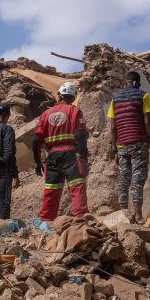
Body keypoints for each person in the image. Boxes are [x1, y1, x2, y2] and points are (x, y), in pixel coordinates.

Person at [108, 70, 150, 224]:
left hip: (122, 145)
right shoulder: (144, 96)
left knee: (124, 178)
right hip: (138, 143)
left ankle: (123, 213)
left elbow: (112, 128)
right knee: (138, 178)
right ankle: (138, 215)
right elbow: (147, 122)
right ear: (138, 83)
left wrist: (115, 149)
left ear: (125, 83)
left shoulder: (114, 99)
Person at [35, 81, 89, 221]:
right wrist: (83, 157)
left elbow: (36, 140)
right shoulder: (74, 110)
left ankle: (46, 222)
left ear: (59, 95)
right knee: (77, 187)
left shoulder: (45, 114)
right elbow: (80, 135)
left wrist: (37, 161)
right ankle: (80, 220)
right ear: (73, 97)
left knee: (51, 190)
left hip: (52, 156)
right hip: (71, 154)